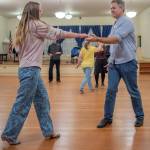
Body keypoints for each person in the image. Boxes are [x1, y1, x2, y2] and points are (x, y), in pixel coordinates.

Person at [1, 1, 88, 145]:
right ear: (35, 11)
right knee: (22, 103)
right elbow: (59, 33)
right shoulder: (36, 24)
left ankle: (48, 131)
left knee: (42, 101)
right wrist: (79, 35)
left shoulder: (22, 27)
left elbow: (16, 50)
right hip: (31, 71)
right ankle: (10, 134)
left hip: (27, 69)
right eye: (41, 9)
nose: (42, 11)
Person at [86, 0, 144, 128]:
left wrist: (97, 39)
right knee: (110, 91)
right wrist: (110, 59)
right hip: (114, 65)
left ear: (122, 8)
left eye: (114, 8)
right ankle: (107, 118)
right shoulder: (115, 24)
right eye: (110, 8)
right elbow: (110, 44)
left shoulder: (127, 22)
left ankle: (139, 116)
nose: (111, 10)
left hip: (128, 63)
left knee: (133, 91)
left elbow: (115, 40)